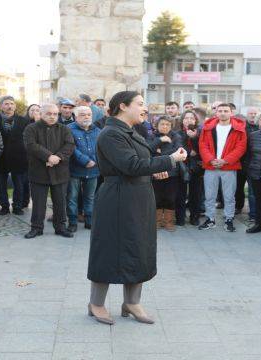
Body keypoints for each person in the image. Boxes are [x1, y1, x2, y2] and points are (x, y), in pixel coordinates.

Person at [87, 91, 187, 325]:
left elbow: (140, 162)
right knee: (109, 249)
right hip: (117, 198)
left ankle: (131, 302)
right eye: (140, 104)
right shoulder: (111, 134)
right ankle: (96, 303)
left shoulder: (132, 131)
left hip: (139, 197)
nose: (145, 108)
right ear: (123, 106)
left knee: (139, 247)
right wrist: (171, 160)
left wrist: (154, 168)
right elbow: (130, 165)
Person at [23, 103, 75, 239]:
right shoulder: (31, 128)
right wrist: (48, 156)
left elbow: (70, 145)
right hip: (39, 170)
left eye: (55, 114)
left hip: (60, 170)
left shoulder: (64, 129)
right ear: (41, 114)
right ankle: (36, 228)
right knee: (39, 202)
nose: (52, 117)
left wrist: (58, 157)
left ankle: (61, 227)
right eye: (49, 114)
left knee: (60, 202)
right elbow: (31, 145)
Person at [198, 103, 247, 232]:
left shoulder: (239, 128)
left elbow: (241, 147)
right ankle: (210, 219)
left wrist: (225, 161)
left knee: (229, 195)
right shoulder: (208, 127)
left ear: (231, 113)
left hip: (229, 167)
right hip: (211, 166)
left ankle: (229, 219)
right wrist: (210, 160)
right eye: (220, 111)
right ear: (216, 113)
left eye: (226, 111)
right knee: (209, 195)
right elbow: (203, 145)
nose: (223, 113)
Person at [0, 95, 30, 215]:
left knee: (18, 184)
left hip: (19, 156)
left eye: (12, 104)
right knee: (1, 184)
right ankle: (4, 206)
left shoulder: (23, 120)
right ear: (1, 106)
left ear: (15, 106)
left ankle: (17, 206)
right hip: (0, 156)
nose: (9, 106)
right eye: (6, 104)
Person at [66, 106, 100, 232]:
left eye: (89, 114)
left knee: (90, 197)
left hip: (93, 170)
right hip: (74, 170)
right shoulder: (68, 129)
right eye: (83, 114)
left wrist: (94, 161)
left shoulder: (98, 130)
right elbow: (71, 148)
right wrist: (85, 161)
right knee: (72, 197)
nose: (86, 117)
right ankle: (73, 222)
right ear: (75, 116)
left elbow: (101, 149)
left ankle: (89, 221)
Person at [148, 116, 182, 231]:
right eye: (162, 124)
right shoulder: (152, 136)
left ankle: (168, 222)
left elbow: (178, 152)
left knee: (170, 198)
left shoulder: (176, 137)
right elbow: (147, 150)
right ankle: (156, 221)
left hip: (171, 172)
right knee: (156, 197)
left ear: (171, 126)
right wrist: (159, 141)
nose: (165, 126)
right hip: (155, 172)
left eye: (168, 124)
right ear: (156, 126)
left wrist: (160, 152)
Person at [176, 110, 204, 226]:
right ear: (182, 121)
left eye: (191, 118)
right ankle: (180, 218)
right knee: (180, 194)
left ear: (196, 121)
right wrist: (188, 151)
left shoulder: (201, 133)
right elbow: (177, 146)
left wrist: (194, 137)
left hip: (196, 166)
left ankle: (194, 217)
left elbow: (203, 148)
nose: (189, 120)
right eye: (186, 118)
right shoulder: (176, 133)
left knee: (196, 194)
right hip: (181, 166)